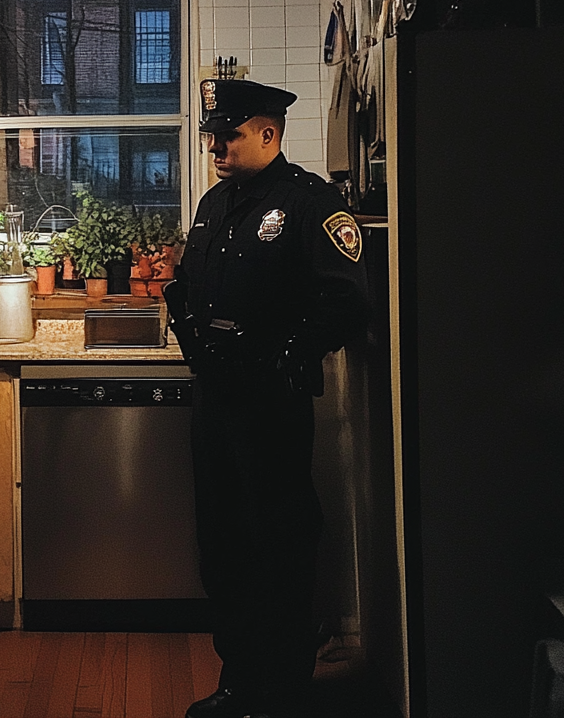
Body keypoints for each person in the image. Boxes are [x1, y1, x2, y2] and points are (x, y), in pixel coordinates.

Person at [167, 79, 369, 718]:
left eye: (228, 134)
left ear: (268, 134)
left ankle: (282, 689)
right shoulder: (215, 204)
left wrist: (289, 354)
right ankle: (241, 679)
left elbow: (346, 301)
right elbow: (191, 286)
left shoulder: (311, 204)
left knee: (275, 542)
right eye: (212, 134)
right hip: (217, 398)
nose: (215, 145)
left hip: (270, 404)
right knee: (223, 543)